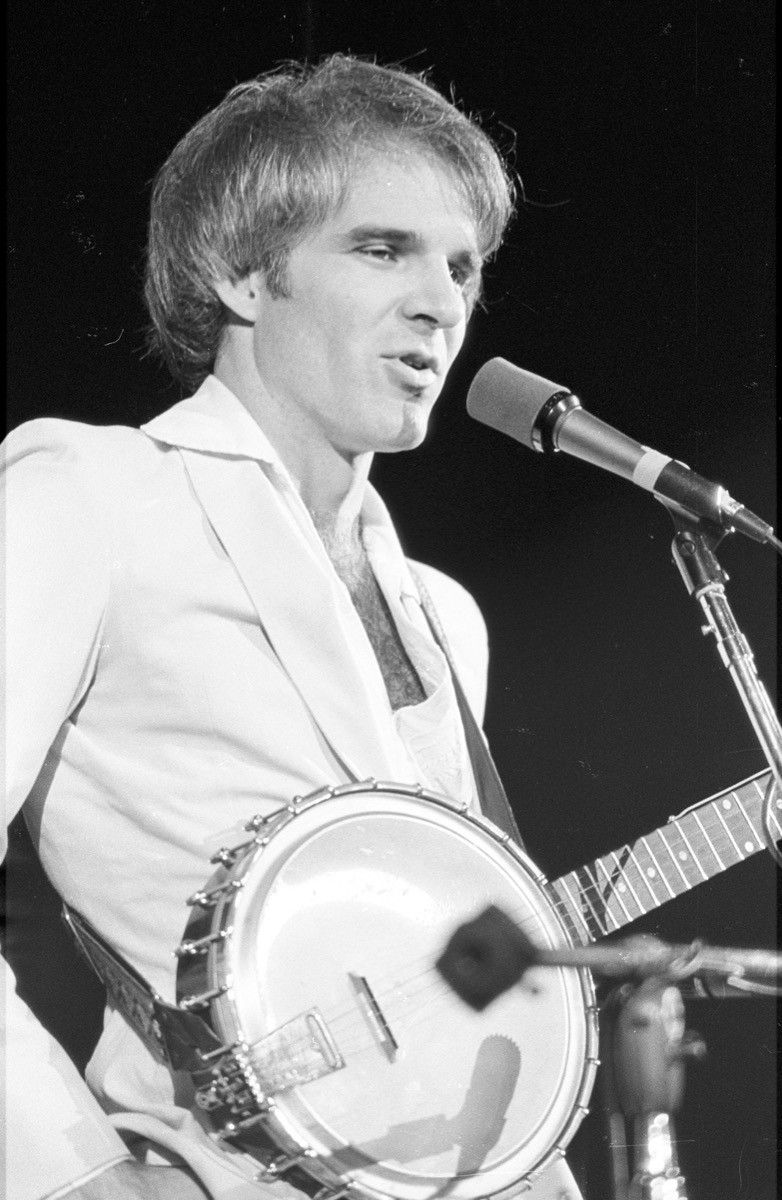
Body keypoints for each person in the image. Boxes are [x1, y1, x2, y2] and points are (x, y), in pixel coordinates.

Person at [2, 55, 583, 1200]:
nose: (441, 300)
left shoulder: (442, 617)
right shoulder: (92, 495)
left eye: (461, 265)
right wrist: (79, 1177)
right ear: (238, 272)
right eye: (382, 249)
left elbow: (437, 973)